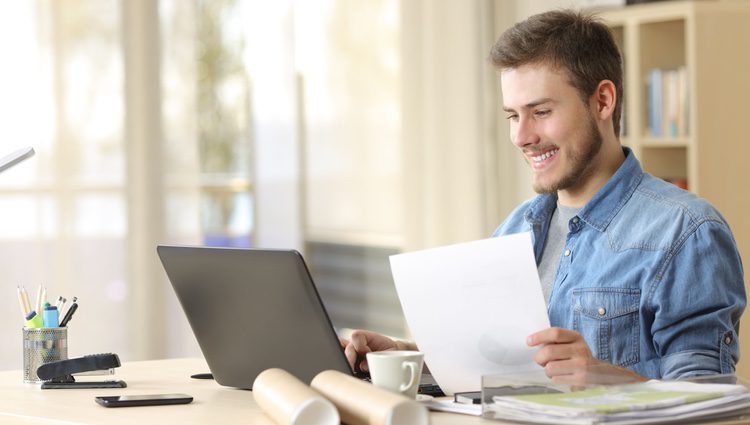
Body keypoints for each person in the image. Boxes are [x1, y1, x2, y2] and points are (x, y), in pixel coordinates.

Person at [341, 9, 745, 385]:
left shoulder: (686, 231)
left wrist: (604, 377)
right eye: (513, 115)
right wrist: (406, 356)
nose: (521, 136)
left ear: (603, 100)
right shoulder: (515, 228)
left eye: (541, 111)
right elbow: (494, 366)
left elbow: (707, 405)